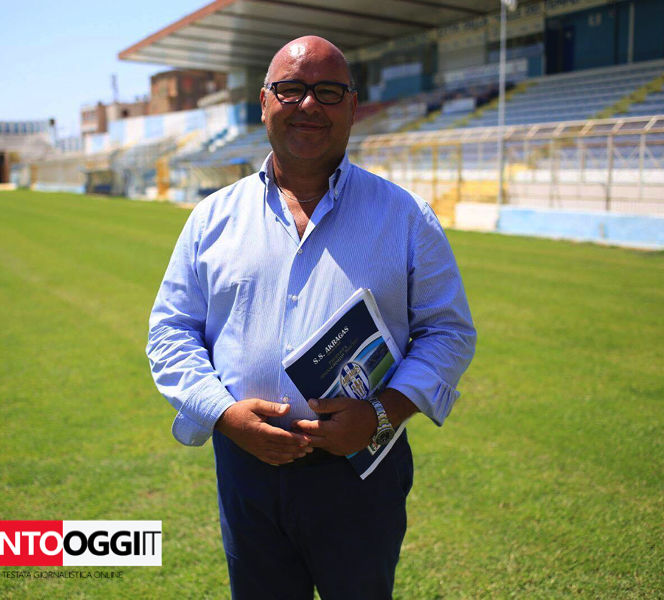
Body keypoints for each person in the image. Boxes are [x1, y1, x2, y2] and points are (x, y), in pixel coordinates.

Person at [147, 35, 476, 600]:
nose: (308, 105)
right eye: (291, 89)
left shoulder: (405, 217)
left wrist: (381, 414)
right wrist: (224, 414)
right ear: (264, 101)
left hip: (361, 475)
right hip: (247, 469)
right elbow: (170, 331)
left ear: (352, 106)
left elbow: (447, 332)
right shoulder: (211, 218)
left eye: (328, 91)